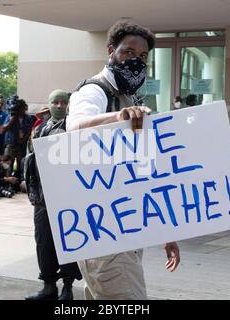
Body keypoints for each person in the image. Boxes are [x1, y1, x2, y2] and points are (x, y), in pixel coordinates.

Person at [67, 21, 180, 300]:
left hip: (125, 228)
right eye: (128, 52)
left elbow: (144, 170)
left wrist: (167, 231)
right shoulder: (95, 91)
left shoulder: (129, 96)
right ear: (111, 51)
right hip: (104, 234)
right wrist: (118, 117)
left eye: (142, 57)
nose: (135, 61)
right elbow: (75, 126)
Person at [25, 89, 82, 301]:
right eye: (55, 102)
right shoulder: (39, 128)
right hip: (42, 197)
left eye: (63, 102)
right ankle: (48, 286)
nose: (59, 106)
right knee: (44, 241)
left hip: (67, 195)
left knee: (68, 240)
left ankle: (67, 287)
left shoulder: (74, 127)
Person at [4, 99, 35, 174]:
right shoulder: (10, 117)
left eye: (24, 108)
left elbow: (29, 131)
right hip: (11, 143)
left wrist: (23, 140)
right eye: (21, 108)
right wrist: (12, 119)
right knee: (8, 163)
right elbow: (5, 128)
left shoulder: (28, 118)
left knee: (21, 162)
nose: (23, 110)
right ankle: (8, 179)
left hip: (22, 144)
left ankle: (18, 178)